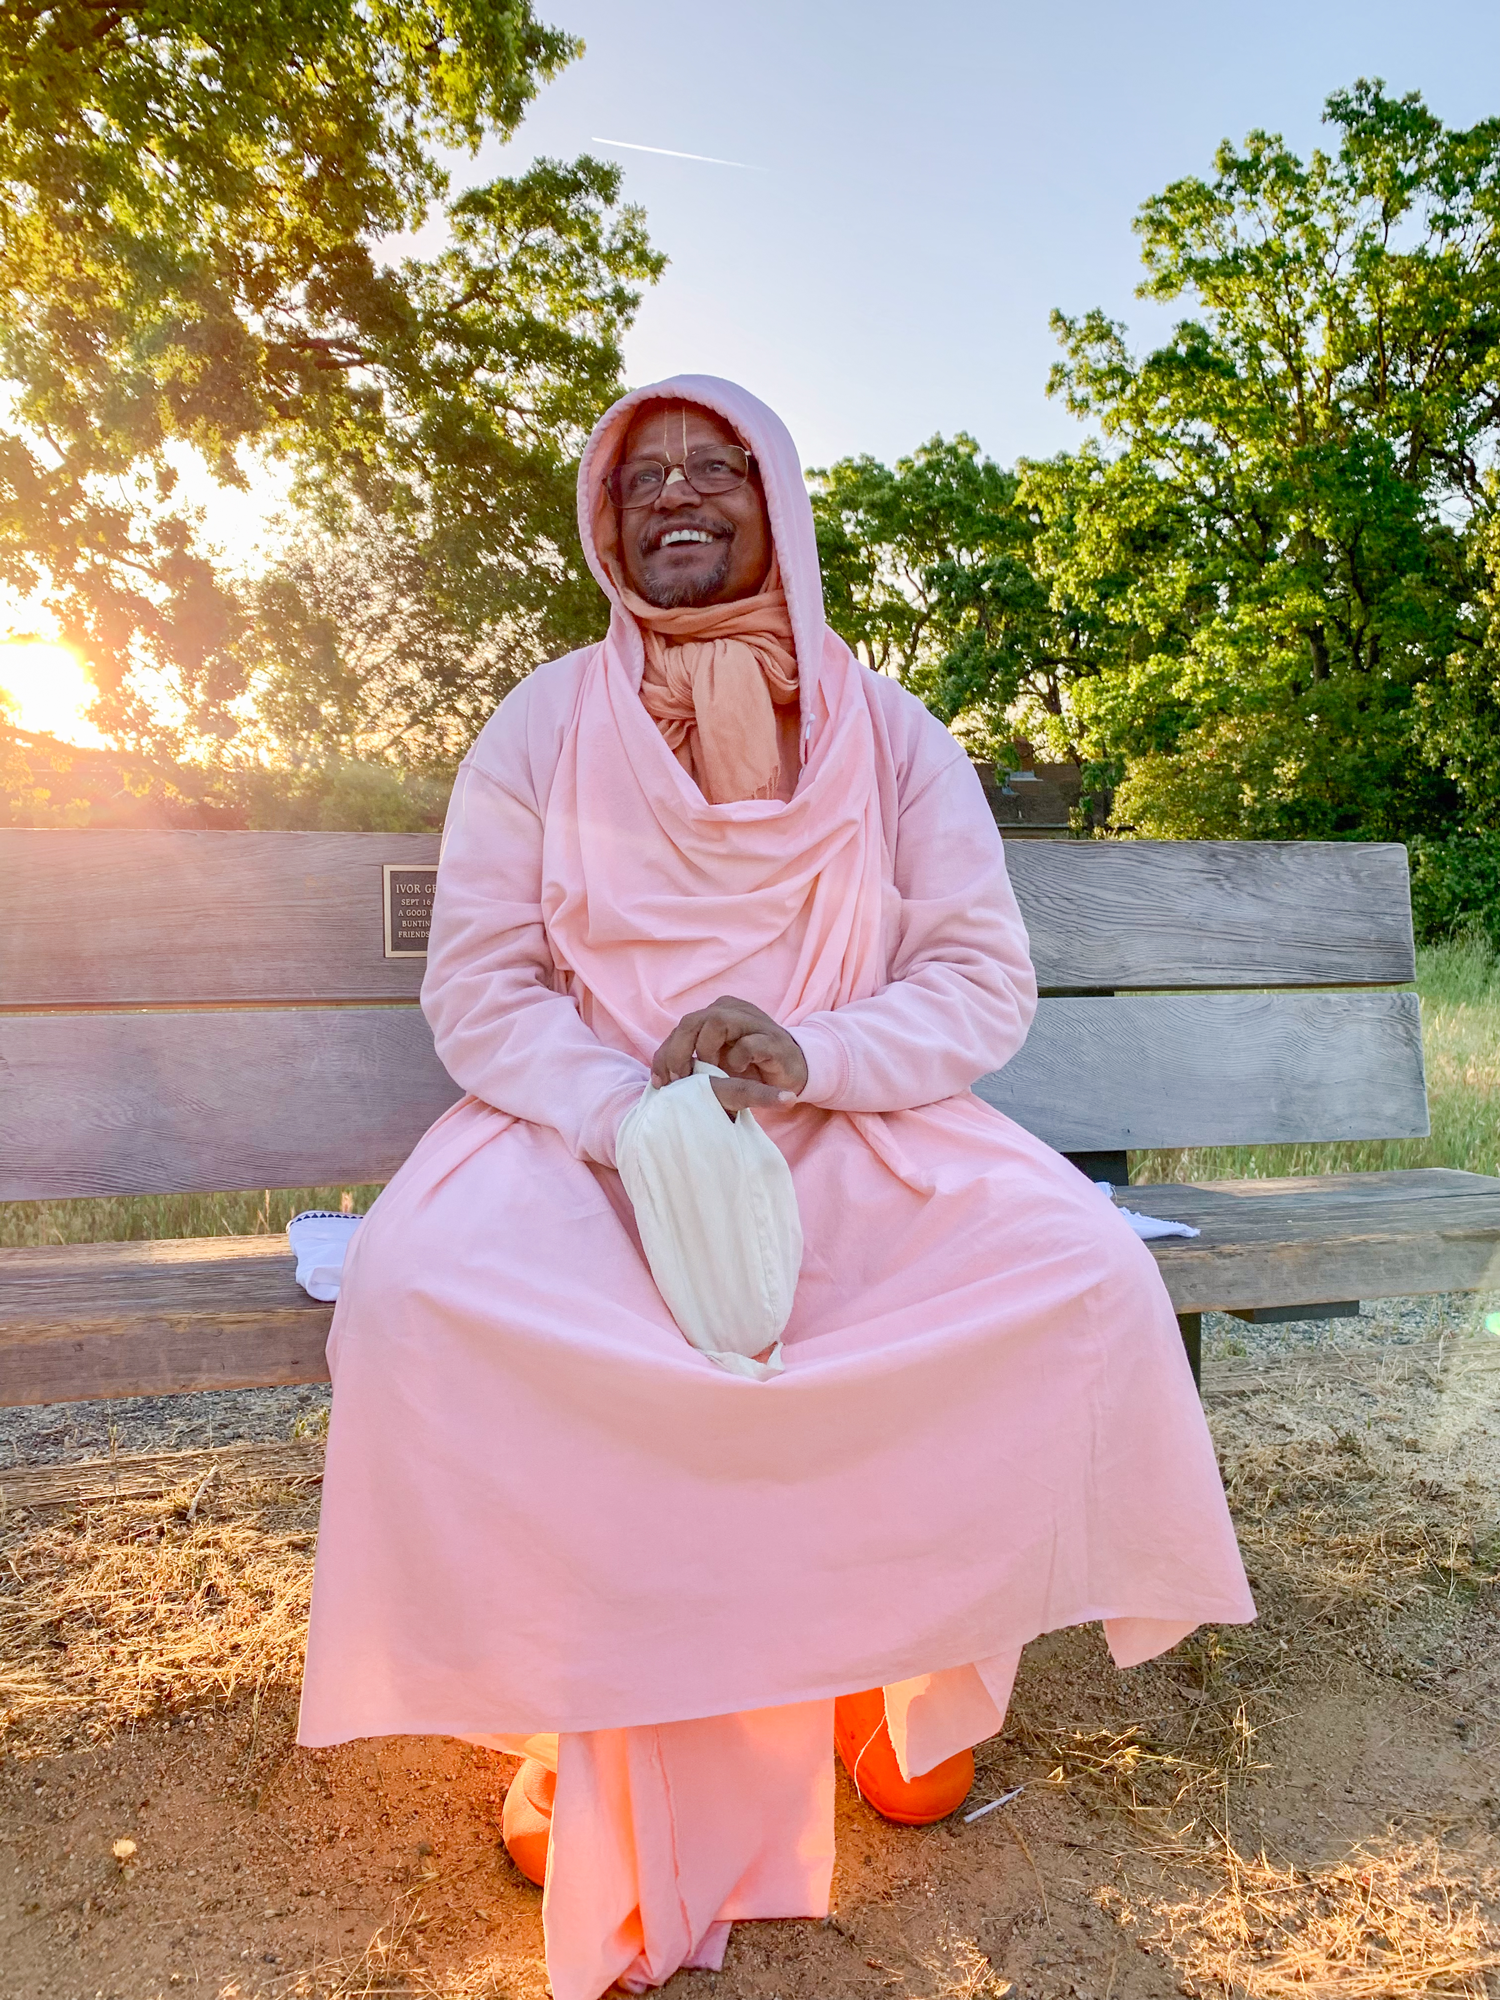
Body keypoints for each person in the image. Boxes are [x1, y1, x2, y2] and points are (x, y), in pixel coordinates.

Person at [298, 375, 1253, 2000]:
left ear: (778, 504)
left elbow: (974, 982)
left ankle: (904, 1692)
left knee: (1077, 1281)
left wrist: (804, 1055)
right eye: (640, 477)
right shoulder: (536, 719)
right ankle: (570, 1729)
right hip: (592, 1128)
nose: (673, 495)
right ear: (605, 523)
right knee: (425, 1299)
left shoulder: (890, 727)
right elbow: (479, 989)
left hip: (850, 1118)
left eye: (712, 470)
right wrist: (632, 1112)